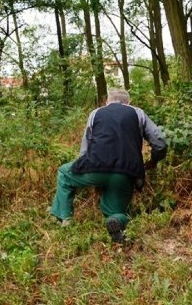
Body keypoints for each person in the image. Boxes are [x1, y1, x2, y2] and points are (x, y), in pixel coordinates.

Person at [50, 88, 167, 243]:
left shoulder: (95, 113)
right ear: (128, 102)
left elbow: (85, 149)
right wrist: (152, 162)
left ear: (107, 101)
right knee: (117, 211)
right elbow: (160, 143)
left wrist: (87, 170)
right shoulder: (138, 113)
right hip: (126, 171)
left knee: (64, 172)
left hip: (95, 167)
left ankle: (65, 218)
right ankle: (116, 222)